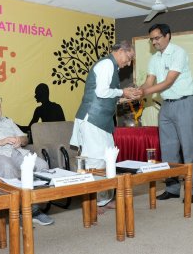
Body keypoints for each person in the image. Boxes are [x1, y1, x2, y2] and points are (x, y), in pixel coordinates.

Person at [70, 41, 141, 212]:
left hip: (103, 122)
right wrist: (123, 91)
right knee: (94, 161)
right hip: (92, 119)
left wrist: (126, 97)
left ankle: (104, 199)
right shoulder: (106, 64)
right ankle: (91, 202)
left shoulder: (112, 68)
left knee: (107, 159)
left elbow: (109, 97)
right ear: (121, 51)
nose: (129, 63)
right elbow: (101, 92)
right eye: (129, 58)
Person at [0, 95, 54, 225]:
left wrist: (20, 140)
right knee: (7, 168)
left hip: (18, 152)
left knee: (42, 165)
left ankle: (35, 209)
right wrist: (1, 141)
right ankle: (16, 212)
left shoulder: (8, 121)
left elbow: (25, 138)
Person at [139, 23, 193, 201]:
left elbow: (169, 81)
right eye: (152, 39)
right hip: (166, 106)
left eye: (157, 38)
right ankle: (173, 188)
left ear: (167, 36)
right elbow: (149, 82)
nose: (154, 42)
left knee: (189, 148)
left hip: (185, 103)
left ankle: (191, 190)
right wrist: (137, 92)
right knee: (168, 149)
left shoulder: (178, 53)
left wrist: (146, 92)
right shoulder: (154, 59)